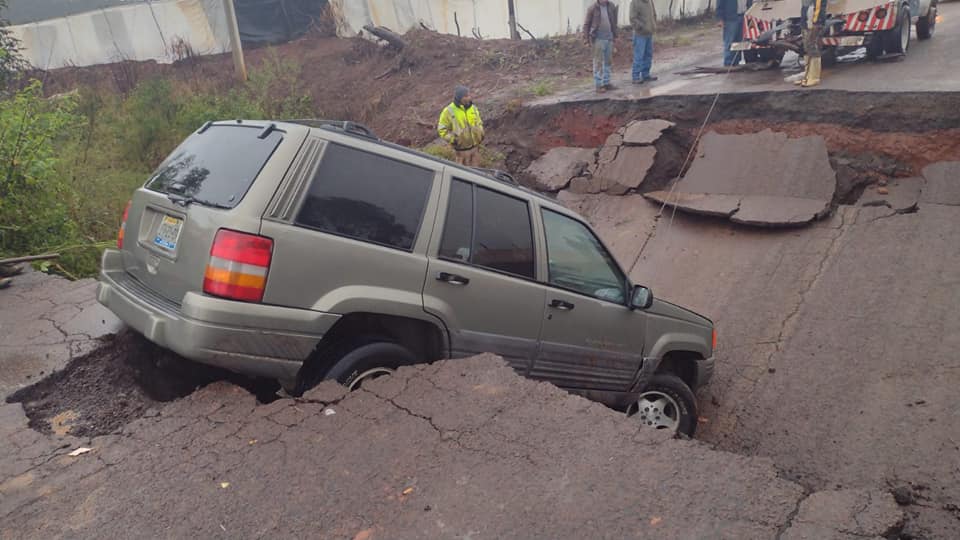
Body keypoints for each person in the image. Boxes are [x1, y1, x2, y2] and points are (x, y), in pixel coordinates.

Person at [437, 85, 485, 167]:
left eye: (469, 95)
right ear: (459, 98)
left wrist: (481, 132)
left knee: (476, 175)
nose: (469, 98)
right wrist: (453, 139)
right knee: (462, 176)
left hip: (475, 149)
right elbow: (442, 129)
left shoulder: (473, 108)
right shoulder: (448, 111)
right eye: (466, 96)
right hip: (461, 153)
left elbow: (479, 122)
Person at [584, 0, 619, 93]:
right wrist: (586, 40)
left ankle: (607, 82)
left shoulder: (611, 6)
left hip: (609, 38)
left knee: (608, 61)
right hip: (598, 39)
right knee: (598, 62)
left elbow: (614, 22)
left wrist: (615, 36)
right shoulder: (592, 8)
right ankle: (598, 85)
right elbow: (586, 25)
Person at [798, 0, 826, 87]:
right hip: (806, 23)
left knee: (812, 47)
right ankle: (807, 76)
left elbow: (818, 7)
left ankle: (814, 77)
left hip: (813, 23)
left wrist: (815, 22)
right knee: (807, 48)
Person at [630, 0, 658, 84]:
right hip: (640, 34)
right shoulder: (635, 2)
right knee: (639, 56)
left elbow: (654, 14)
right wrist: (641, 27)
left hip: (649, 33)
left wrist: (653, 25)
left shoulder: (650, 1)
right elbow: (632, 18)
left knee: (648, 54)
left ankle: (645, 75)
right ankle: (635, 77)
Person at [717, 0, 751, 66]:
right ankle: (728, 64)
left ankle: (736, 63)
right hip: (730, 18)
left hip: (744, 17)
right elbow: (720, 3)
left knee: (741, 42)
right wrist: (720, 19)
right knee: (730, 42)